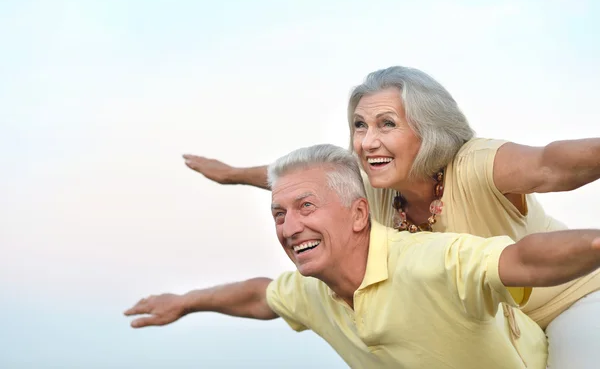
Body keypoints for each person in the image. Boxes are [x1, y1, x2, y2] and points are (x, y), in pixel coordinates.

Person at [183, 66, 600, 368]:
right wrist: (234, 175)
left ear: (428, 128)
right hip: (501, 325)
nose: (367, 142)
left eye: (387, 124)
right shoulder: (373, 186)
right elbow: (307, 179)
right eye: (359, 126)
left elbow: (554, 164)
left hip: (569, 300)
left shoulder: (477, 164)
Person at [126, 144, 600, 368]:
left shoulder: (428, 261)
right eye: (278, 215)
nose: (289, 229)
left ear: (358, 215)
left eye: (306, 208)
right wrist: (187, 301)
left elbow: (524, 260)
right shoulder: (312, 290)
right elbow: (260, 296)